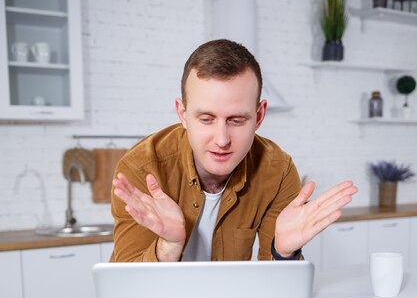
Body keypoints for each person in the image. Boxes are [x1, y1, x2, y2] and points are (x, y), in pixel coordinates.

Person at [111, 39, 357, 262]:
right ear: (182, 114)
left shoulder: (278, 171)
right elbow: (123, 292)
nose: (222, 140)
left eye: (237, 120)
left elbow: (275, 295)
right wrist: (168, 245)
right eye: (206, 119)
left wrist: (283, 253)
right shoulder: (141, 169)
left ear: (259, 116)